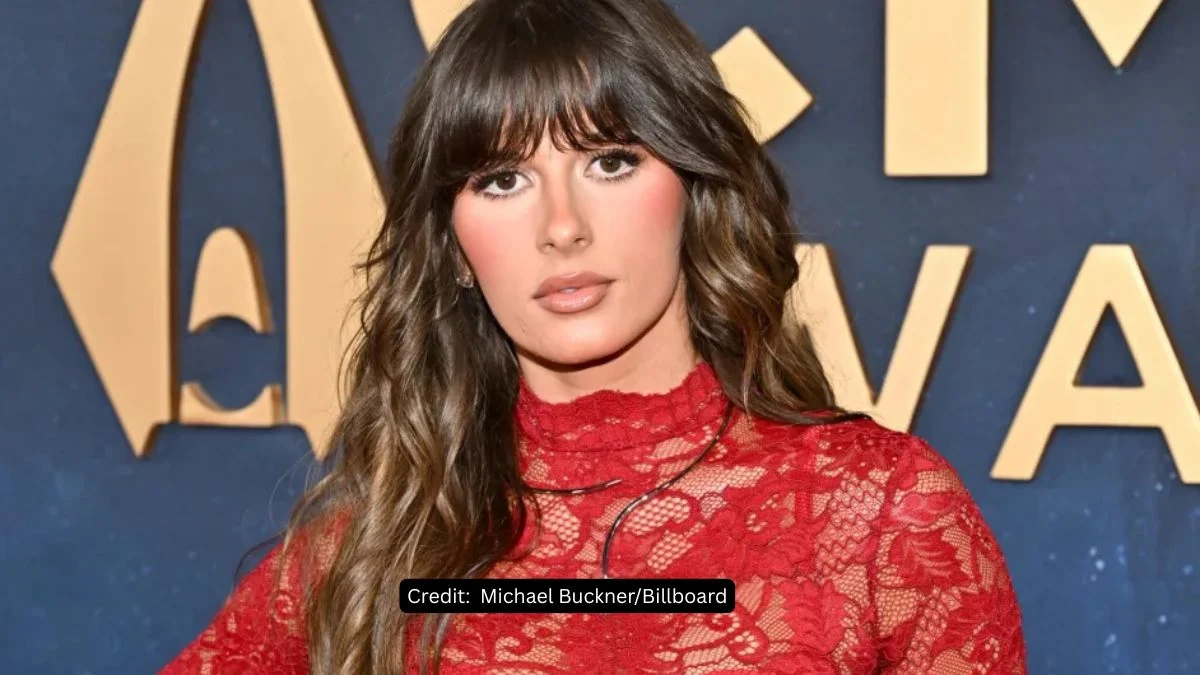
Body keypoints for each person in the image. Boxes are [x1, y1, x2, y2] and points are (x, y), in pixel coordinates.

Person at [160, 0, 1027, 672]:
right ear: (456, 248)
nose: (561, 226)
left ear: (693, 187)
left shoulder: (884, 517)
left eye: (611, 161)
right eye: (502, 180)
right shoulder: (375, 547)